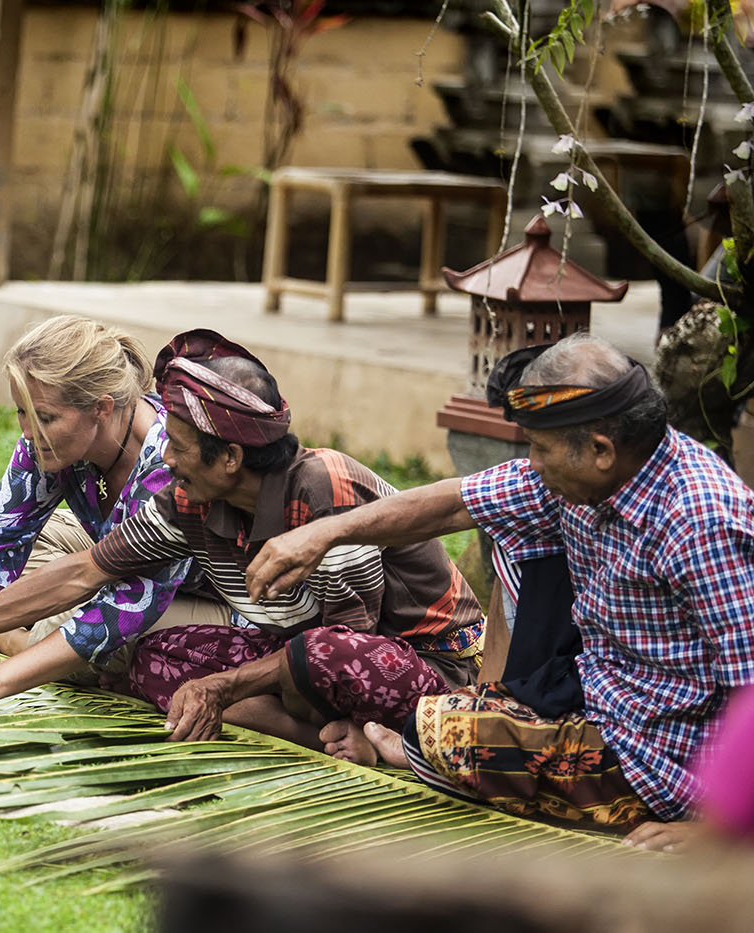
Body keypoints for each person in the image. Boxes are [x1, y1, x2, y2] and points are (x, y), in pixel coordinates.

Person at [246, 332, 754, 842]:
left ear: (600, 450)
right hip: (592, 697)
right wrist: (322, 533)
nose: (531, 463)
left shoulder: (701, 519)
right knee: (442, 719)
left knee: (448, 737)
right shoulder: (592, 474)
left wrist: (715, 829)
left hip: (663, 762)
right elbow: (454, 503)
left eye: (539, 448)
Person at [0, 329, 485, 748]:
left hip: (414, 666)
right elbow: (87, 571)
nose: (166, 452)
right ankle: (322, 740)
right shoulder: (193, 499)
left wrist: (226, 685)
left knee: (317, 655)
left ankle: (377, 738)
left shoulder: (324, 493)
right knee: (155, 661)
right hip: (291, 649)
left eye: (180, 445)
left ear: (228, 459)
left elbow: (346, 645)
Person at [0, 314, 219, 687]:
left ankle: (20, 644)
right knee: (27, 554)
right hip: (107, 566)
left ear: (102, 408)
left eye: (45, 417)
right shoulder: (52, 443)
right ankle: (47, 648)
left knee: (62, 623)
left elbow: (124, 604)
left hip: (206, 597)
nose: (29, 432)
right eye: (21, 412)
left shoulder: (165, 463)